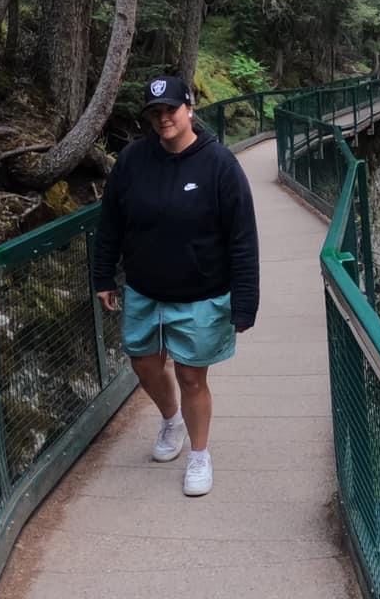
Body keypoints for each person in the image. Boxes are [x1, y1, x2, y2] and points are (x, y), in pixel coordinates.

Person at [92, 74, 259, 496]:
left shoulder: (219, 164)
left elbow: (242, 237)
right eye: (155, 112)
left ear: (189, 109)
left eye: (171, 109)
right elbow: (110, 222)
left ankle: (200, 455)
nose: (163, 118)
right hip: (144, 289)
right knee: (143, 363)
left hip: (201, 293)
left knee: (190, 376)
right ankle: (172, 420)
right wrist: (103, 275)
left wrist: (245, 301)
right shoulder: (132, 160)